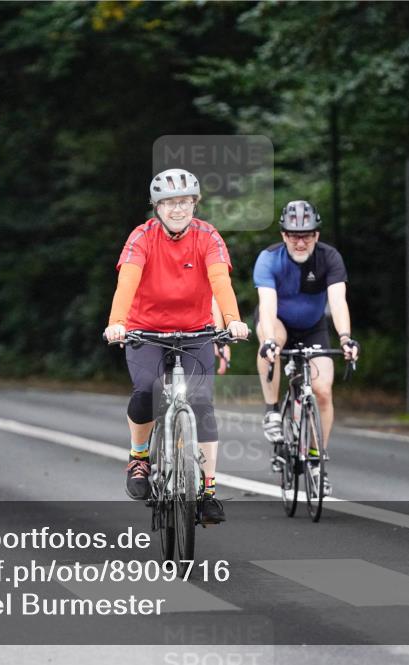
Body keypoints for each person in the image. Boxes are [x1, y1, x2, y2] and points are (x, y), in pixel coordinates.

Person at [104, 168, 250, 524]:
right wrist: (117, 323)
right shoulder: (142, 237)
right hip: (146, 331)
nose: (178, 209)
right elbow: (127, 282)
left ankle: (207, 491)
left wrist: (232, 319)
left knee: (202, 403)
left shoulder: (207, 236)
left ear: (194, 204)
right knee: (147, 389)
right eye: (169, 203)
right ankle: (140, 457)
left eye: (184, 202)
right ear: (157, 207)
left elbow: (220, 280)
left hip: (196, 331)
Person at [253, 200, 359, 495]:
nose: (300, 242)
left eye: (307, 235)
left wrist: (346, 338)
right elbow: (267, 305)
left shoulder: (329, 258)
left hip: (313, 327)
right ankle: (272, 410)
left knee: (322, 390)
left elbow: (337, 301)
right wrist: (270, 341)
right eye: (293, 236)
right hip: (277, 322)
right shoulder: (269, 259)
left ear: (317, 235)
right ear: (283, 235)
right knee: (271, 341)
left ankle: (315, 458)